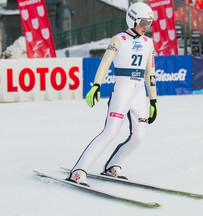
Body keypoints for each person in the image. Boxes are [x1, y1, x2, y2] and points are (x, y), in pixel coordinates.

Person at [67, 2, 158, 185]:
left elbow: (150, 73)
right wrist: (96, 85)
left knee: (139, 135)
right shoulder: (118, 40)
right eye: (142, 22)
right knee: (110, 132)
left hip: (139, 93)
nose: (145, 27)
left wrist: (154, 101)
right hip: (122, 91)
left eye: (149, 23)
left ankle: (113, 165)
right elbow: (105, 64)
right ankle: (79, 170)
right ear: (131, 20)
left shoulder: (148, 43)